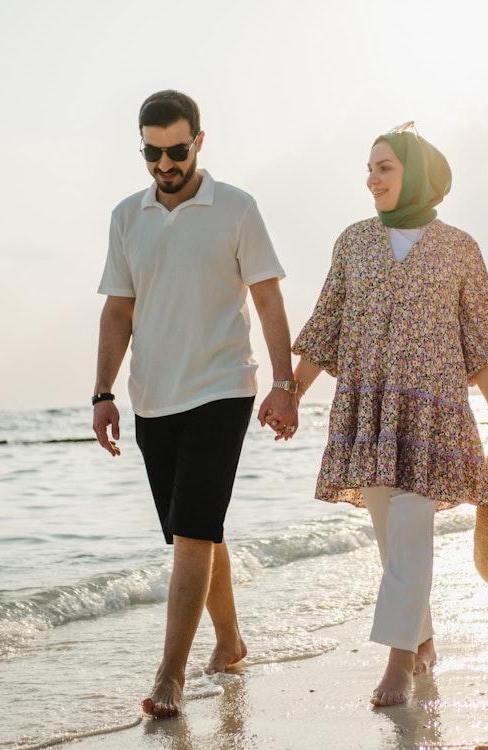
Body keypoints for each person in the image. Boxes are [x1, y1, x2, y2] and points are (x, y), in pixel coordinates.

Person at [290, 122, 488, 707]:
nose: (372, 179)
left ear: (415, 174)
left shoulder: (460, 248)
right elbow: (326, 328)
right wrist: (290, 391)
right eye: (369, 168)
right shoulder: (353, 242)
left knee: (412, 529)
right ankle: (423, 641)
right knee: (392, 541)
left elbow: (483, 344)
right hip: (368, 411)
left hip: (434, 412)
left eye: (385, 167)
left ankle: (398, 665)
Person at [91, 90, 299, 718]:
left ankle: (170, 677)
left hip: (222, 388)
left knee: (192, 531)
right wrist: (103, 391)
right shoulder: (127, 216)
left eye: (176, 151)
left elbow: (267, 301)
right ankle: (231, 642)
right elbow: (118, 310)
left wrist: (285, 385)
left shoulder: (236, 208)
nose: (164, 164)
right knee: (196, 530)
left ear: (198, 143)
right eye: (152, 153)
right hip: (153, 398)